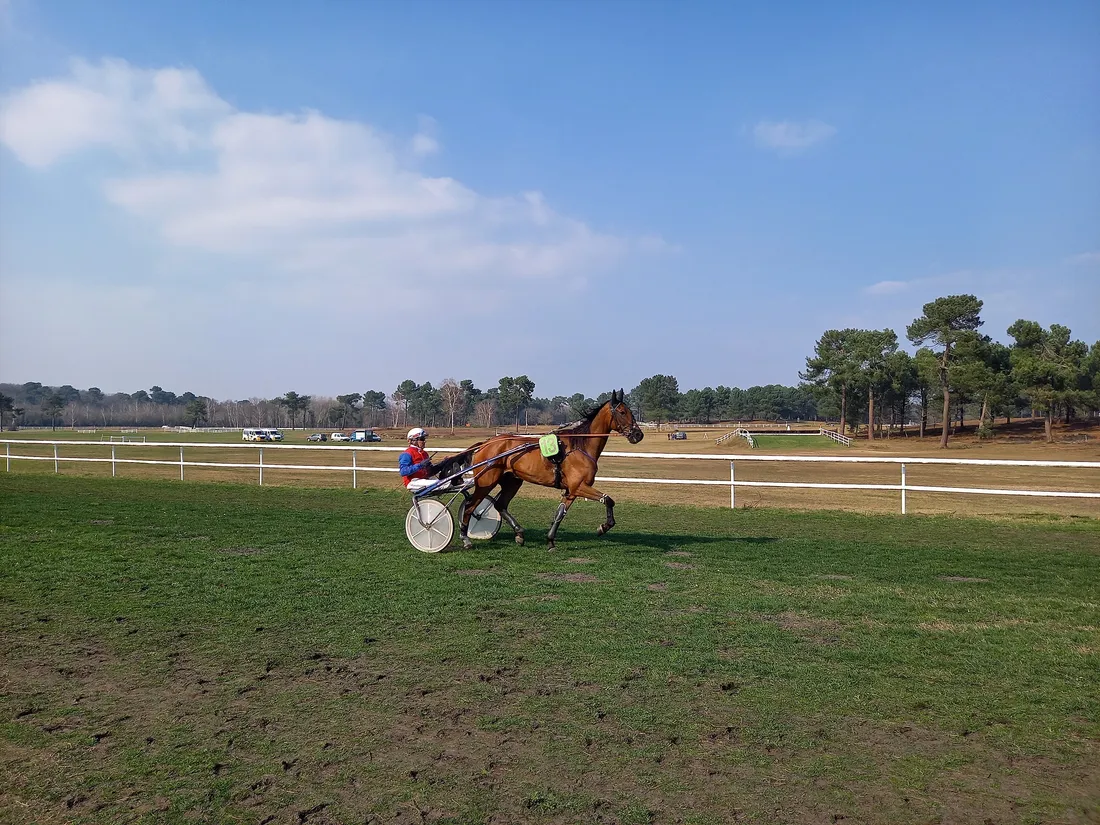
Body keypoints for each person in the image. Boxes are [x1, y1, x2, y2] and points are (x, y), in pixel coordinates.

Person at [400, 427, 461, 492]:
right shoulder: (407, 454)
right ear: (413, 441)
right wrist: (420, 465)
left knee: (446, 480)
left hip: (425, 480)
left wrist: (443, 463)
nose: (424, 441)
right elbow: (403, 472)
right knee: (444, 483)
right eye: (422, 439)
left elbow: (431, 472)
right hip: (413, 482)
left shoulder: (424, 453)